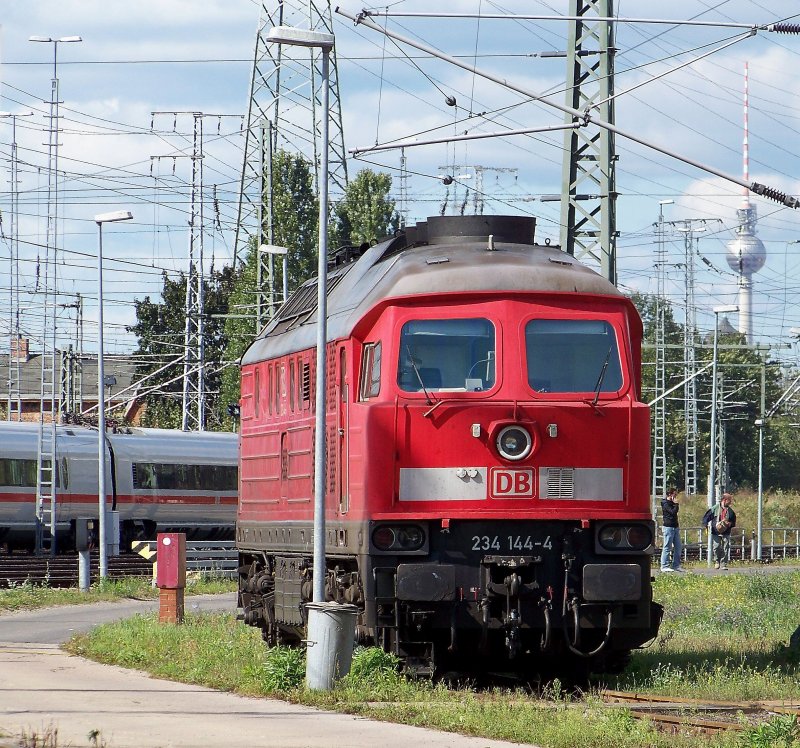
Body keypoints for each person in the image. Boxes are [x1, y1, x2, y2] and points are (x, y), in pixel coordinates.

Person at [702, 492, 736, 570]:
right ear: (724, 500)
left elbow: (733, 522)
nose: (730, 502)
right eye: (729, 500)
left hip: (726, 532)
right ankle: (717, 561)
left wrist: (729, 524)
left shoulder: (731, 512)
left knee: (725, 547)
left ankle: (724, 563)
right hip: (715, 531)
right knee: (716, 547)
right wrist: (705, 524)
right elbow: (706, 517)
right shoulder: (715, 508)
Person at [660, 487, 685, 572]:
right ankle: (664, 565)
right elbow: (673, 512)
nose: (676, 496)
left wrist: (675, 504)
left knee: (678, 546)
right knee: (667, 546)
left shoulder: (672, 503)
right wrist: (676, 504)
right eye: (674, 494)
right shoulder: (665, 503)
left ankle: (676, 565)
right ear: (670, 494)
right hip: (668, 527)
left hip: (675, 527)